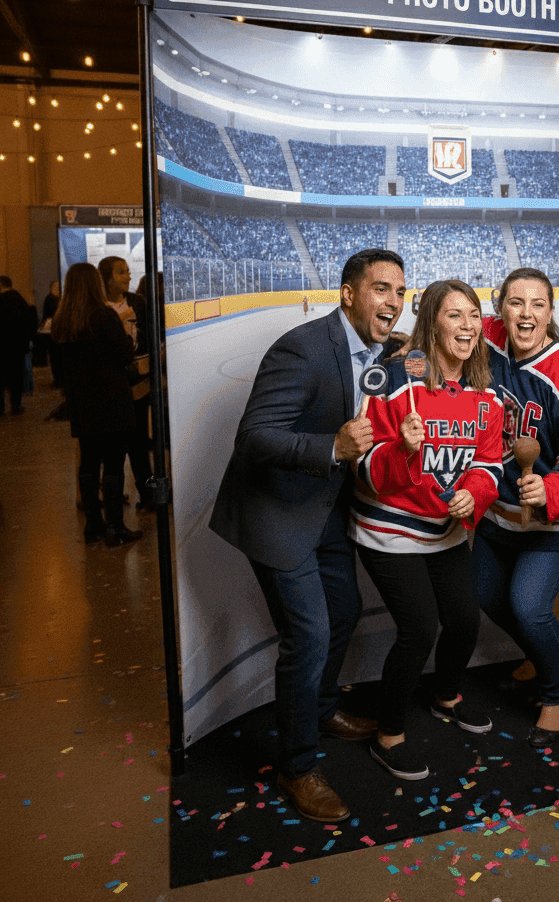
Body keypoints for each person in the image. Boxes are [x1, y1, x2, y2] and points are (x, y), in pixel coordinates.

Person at [209, 248, 406, 823]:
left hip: (323, 511)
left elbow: (407, 361)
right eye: (380, 289)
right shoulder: (302, 347)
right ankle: (296, 766)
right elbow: (254, 437)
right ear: (347, 294)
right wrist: (331, 448)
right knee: (311, 635)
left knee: (343, 611)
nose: (392, 302)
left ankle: (319, 709)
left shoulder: (383, 348)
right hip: (276, 514)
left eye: (400, 291)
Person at [350, 280, 503, 780]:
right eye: (454, 316)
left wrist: (475, 492)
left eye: (474, 315)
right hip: (389, 529)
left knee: (463, 621)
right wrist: (402, 451)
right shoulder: (396, 379)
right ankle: (388, 734)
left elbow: (490, 463)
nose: (467, 326)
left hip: (446, 529)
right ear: (432, 321)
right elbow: (364, 469)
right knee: (419, 629)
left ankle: (446, 696)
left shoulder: (486, 390)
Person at [472, 267, 559, 747]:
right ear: (500, 307)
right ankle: (539, 644)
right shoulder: (488, 338)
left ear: (551, 313)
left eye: (537, 305)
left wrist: (553, 487)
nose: (526, 314)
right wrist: (411, 346)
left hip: (558, 520)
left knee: (527, 605)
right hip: (499, 511)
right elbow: (447, 327)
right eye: (516, 303)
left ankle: (556, 692)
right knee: (484, 595)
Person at [50, 263, 141, 545]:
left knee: (88, 462)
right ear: (95, 284)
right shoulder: (103, 316)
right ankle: (115, 526)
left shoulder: (65, 318)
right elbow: (124, 355)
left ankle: (93, 525)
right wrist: (128, 333)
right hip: (111, 401)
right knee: (113, 463)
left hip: (82, 403)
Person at [99, 256, 153, 509]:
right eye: (121, 272)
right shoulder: (98, 308)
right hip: (111, 388)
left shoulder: (138, 302)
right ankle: (113, 498)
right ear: (107, 276)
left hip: (139, 384)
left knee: (140, 444)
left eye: (129, 272)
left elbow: (149, 337)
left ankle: (148, 493)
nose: (128, 277)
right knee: (114, 449)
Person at [0, 275, 33, 415]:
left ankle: (0, 408)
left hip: (2, 346)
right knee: (16, 377)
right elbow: (30, 321)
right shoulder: (20, 300)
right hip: (18, 346)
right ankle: (16, 405)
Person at [41, 280, 64, 387]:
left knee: (59, 355)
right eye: (55, 285)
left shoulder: (60, 298)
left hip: (60, 330)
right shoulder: (50, 298)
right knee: (55, 355)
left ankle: (60, 379)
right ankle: (57, 379)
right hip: (52, 330)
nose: (57, 287)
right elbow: (50, 313)